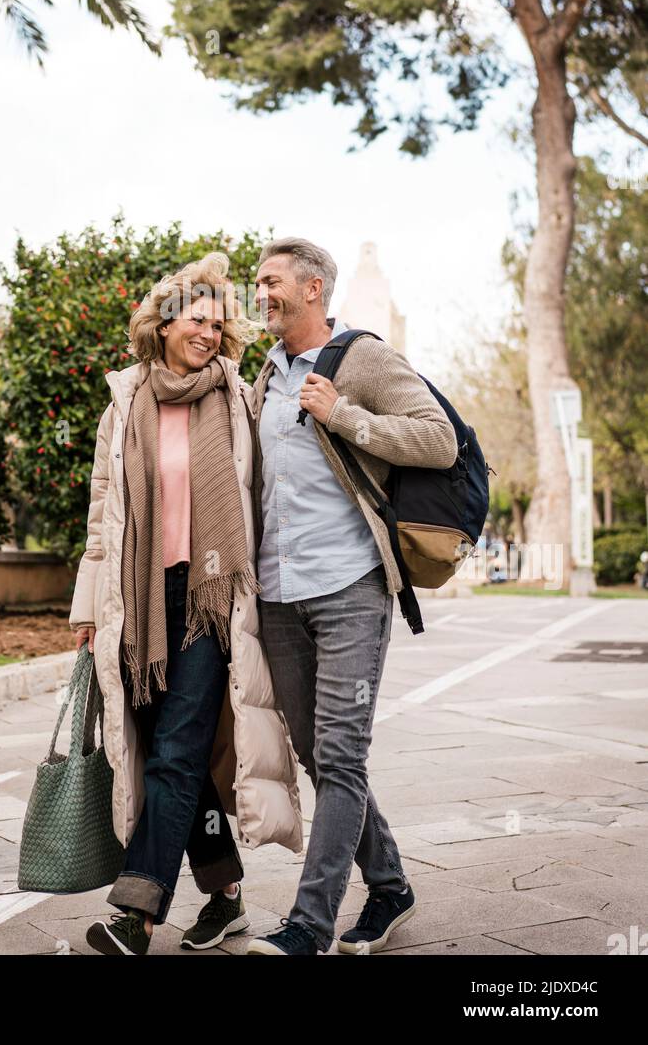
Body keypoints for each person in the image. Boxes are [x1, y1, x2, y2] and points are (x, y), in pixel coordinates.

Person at [69, 251, 303, 956]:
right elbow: (102, 512)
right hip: (140, 603)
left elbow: (272, 481)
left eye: (217, 323)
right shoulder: (126, 401)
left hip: (211, 599)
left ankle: (134, 915)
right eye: (196, 320)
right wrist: (85, 610)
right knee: (178, 760)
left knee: (174, 753)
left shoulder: (233, 394)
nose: (208, 332)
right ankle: (225, 894)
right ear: (163, 323)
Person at [244, 237, 458, 957]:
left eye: (270, 281)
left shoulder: (362, 358)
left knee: (339, 756)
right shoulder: (264, 374)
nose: (260, 292)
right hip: (278, 596)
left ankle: (308, 924)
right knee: (314, 752)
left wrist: (345, 418)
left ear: (312, 289)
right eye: (256, 282)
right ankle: (391, 886)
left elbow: (438, 441)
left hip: (349, 590)